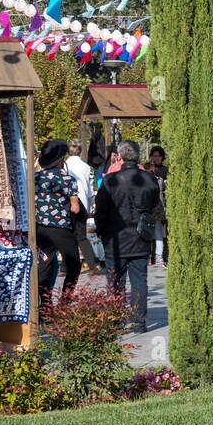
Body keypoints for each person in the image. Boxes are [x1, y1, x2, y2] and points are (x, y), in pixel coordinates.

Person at [93, 140, 162, 332]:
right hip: (140, 237)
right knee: (139, 281)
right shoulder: (149, 179)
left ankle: (115, 320)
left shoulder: (110, 180)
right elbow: (158, 210)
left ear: (120, 157)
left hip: (115, 238)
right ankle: (138, 322)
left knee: (115, 282)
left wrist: (100, 231)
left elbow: (100, 211)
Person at [35, 138, 81, 314]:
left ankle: (45, 307)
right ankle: (64, 304)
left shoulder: (36, 178)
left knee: (45, 265)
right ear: (61, 159)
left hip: (41, 229)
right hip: (61, 228)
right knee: (74, 264)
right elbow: (75, 208)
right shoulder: (67, 178)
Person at [65, 142, 102, 274]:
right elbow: (91, 191)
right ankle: (92, 264)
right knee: (81, 236)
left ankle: (66, 266)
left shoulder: (65, 166)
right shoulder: (87, 167)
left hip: (68, 203)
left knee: (67, 236)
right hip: (83, 205)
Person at [145, 145, 169, 267]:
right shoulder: (148, 170)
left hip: (158, 206)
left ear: (162, 157)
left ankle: (157, 256)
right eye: (154, 155)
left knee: (158, 232)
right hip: (154, 207)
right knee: (152, 233)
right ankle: (153, 256)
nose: (156, 158)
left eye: (158, 156)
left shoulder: (164, 171)